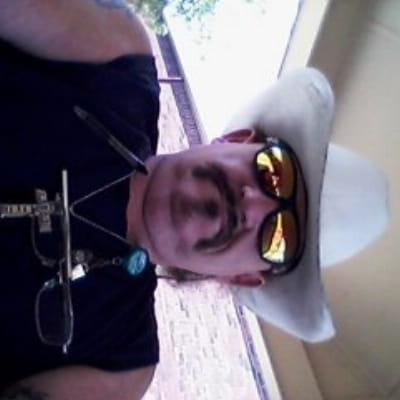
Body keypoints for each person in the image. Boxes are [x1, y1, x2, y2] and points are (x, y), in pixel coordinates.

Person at [0, 1, 389, 400]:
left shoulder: (117, 365)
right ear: (237, 140)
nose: (254, 205)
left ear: (243, 277)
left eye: (278, 238)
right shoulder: (113, 60)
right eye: (274, 172)